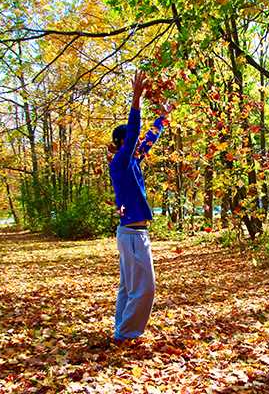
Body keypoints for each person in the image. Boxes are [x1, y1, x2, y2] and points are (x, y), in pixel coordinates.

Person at [109, 70, 168, 343]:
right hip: (132, 234)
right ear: (121, 144)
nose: (136, 145)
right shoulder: (121, 162)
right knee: (145, 289)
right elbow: (135, 133)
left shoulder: (131, 162)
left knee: (127, 287)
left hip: (132, 233)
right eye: (130, 142)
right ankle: (127, 334)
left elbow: (147, 139)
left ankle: (121, 330)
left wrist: (164, 117)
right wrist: (136, 98)